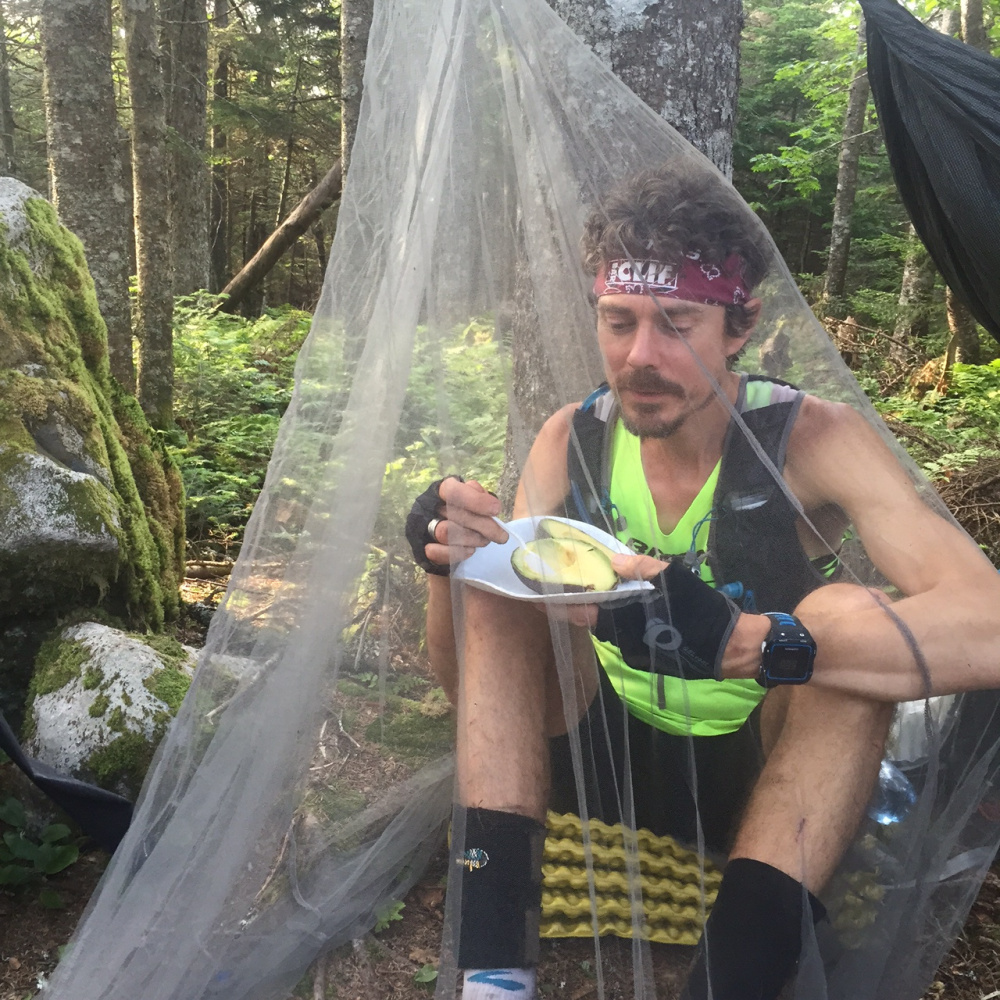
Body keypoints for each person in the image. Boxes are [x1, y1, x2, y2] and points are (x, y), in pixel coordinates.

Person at [404, 163, 1000, 1000]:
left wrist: (749, 643)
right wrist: (446, 565)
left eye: (676, 323)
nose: (641, 357)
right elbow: (469, 686)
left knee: (844, 620)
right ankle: (492, 980)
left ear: (740, 324)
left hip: (756, 779)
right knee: (511, 578)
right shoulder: (570, 439)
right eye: (619, 321)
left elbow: (990, 624)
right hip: (598, 757)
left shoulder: (810, 441)